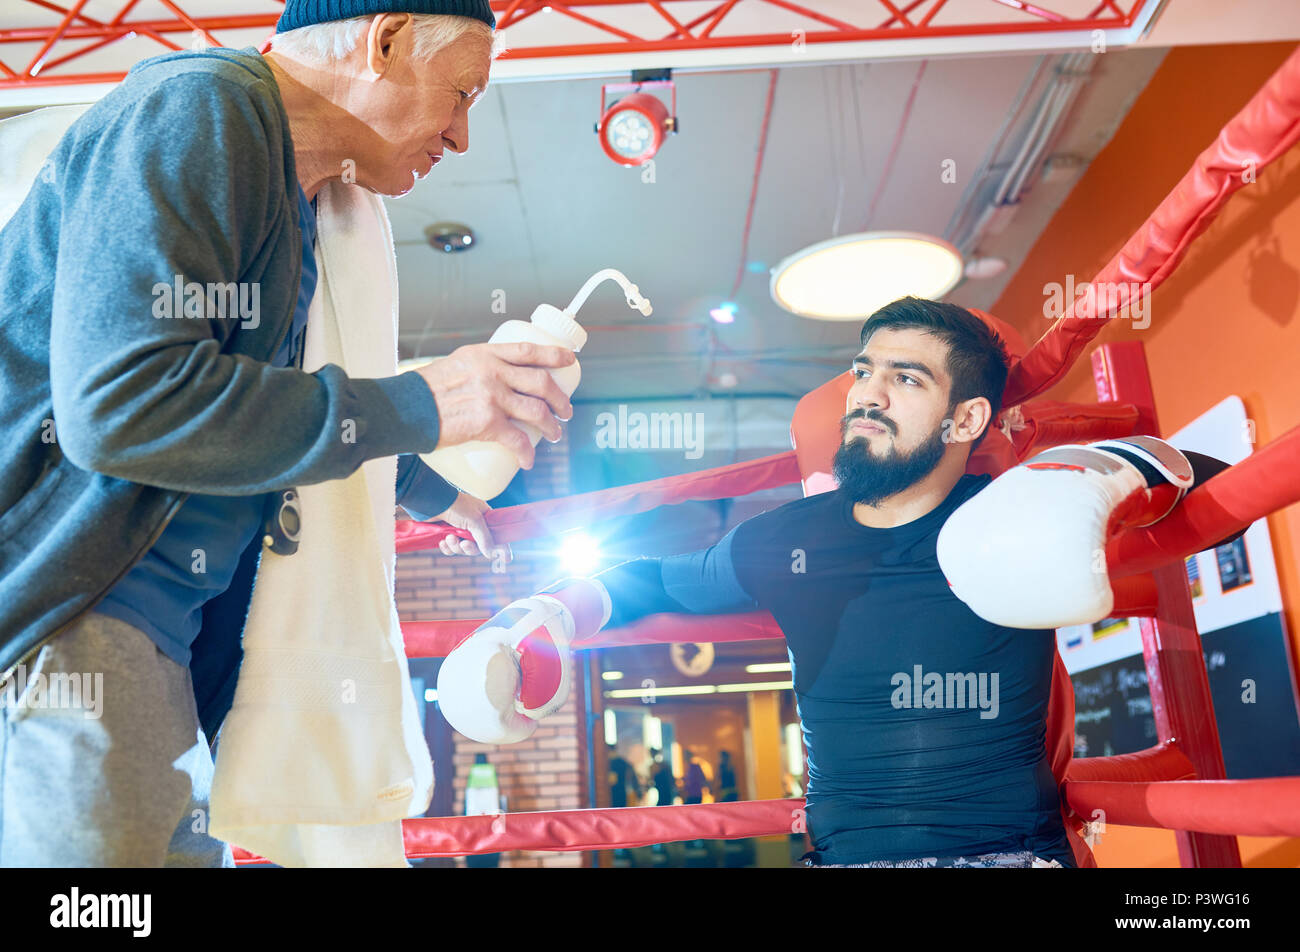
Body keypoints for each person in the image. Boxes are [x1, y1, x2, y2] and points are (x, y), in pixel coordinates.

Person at [0, 2, 578, 867]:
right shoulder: (203, 109)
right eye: (459, 93)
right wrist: (424, 400)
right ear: (383, 42)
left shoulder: (298, 194)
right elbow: (121, 403)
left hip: (156, 634)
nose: (460, 136)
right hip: (75, 615)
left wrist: (435, 489)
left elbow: (261, 405)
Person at [440, 296, 1244, 868]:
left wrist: (1114, 468)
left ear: (965, 420)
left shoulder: (1016, 508)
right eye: (864, 370)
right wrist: (537, 618)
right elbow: (648, 580)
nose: (867, 394)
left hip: (1009, 856)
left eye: (906, 378)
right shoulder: (789, 538)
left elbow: (1224, 496)